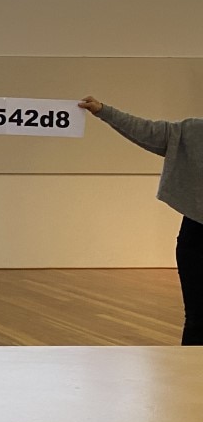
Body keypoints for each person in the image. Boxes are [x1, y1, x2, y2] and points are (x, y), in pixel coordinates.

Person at [78, 95, 203, 345]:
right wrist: (103, 111)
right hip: (196, 241)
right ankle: (192, 368)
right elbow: (146, 131)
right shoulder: (193, 131)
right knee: (198, 318)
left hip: (193, 241)